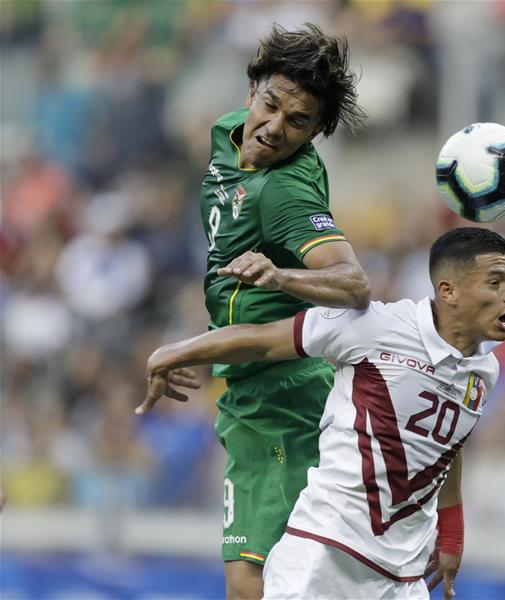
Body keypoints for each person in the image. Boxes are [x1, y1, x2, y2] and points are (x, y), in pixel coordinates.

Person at [138, 227, 505, 599]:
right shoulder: (377, 326)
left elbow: (447, 446)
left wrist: (451, 532)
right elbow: (263, 342)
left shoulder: (485, 372)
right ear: (448, 291)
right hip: (325, 556)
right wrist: (172, 354)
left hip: (403, 578)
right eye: (496, 282)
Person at [169, 23, 370, 599]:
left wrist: (282, 274)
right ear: (252, 86)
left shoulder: (284, 192)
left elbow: (354, 282)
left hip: (286, 401)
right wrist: (207, 344)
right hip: (246, 392)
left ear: (315, 134)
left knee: (251, 584)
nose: (275, 128)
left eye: (298, 122)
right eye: (270, 105)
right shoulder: (228, 132)